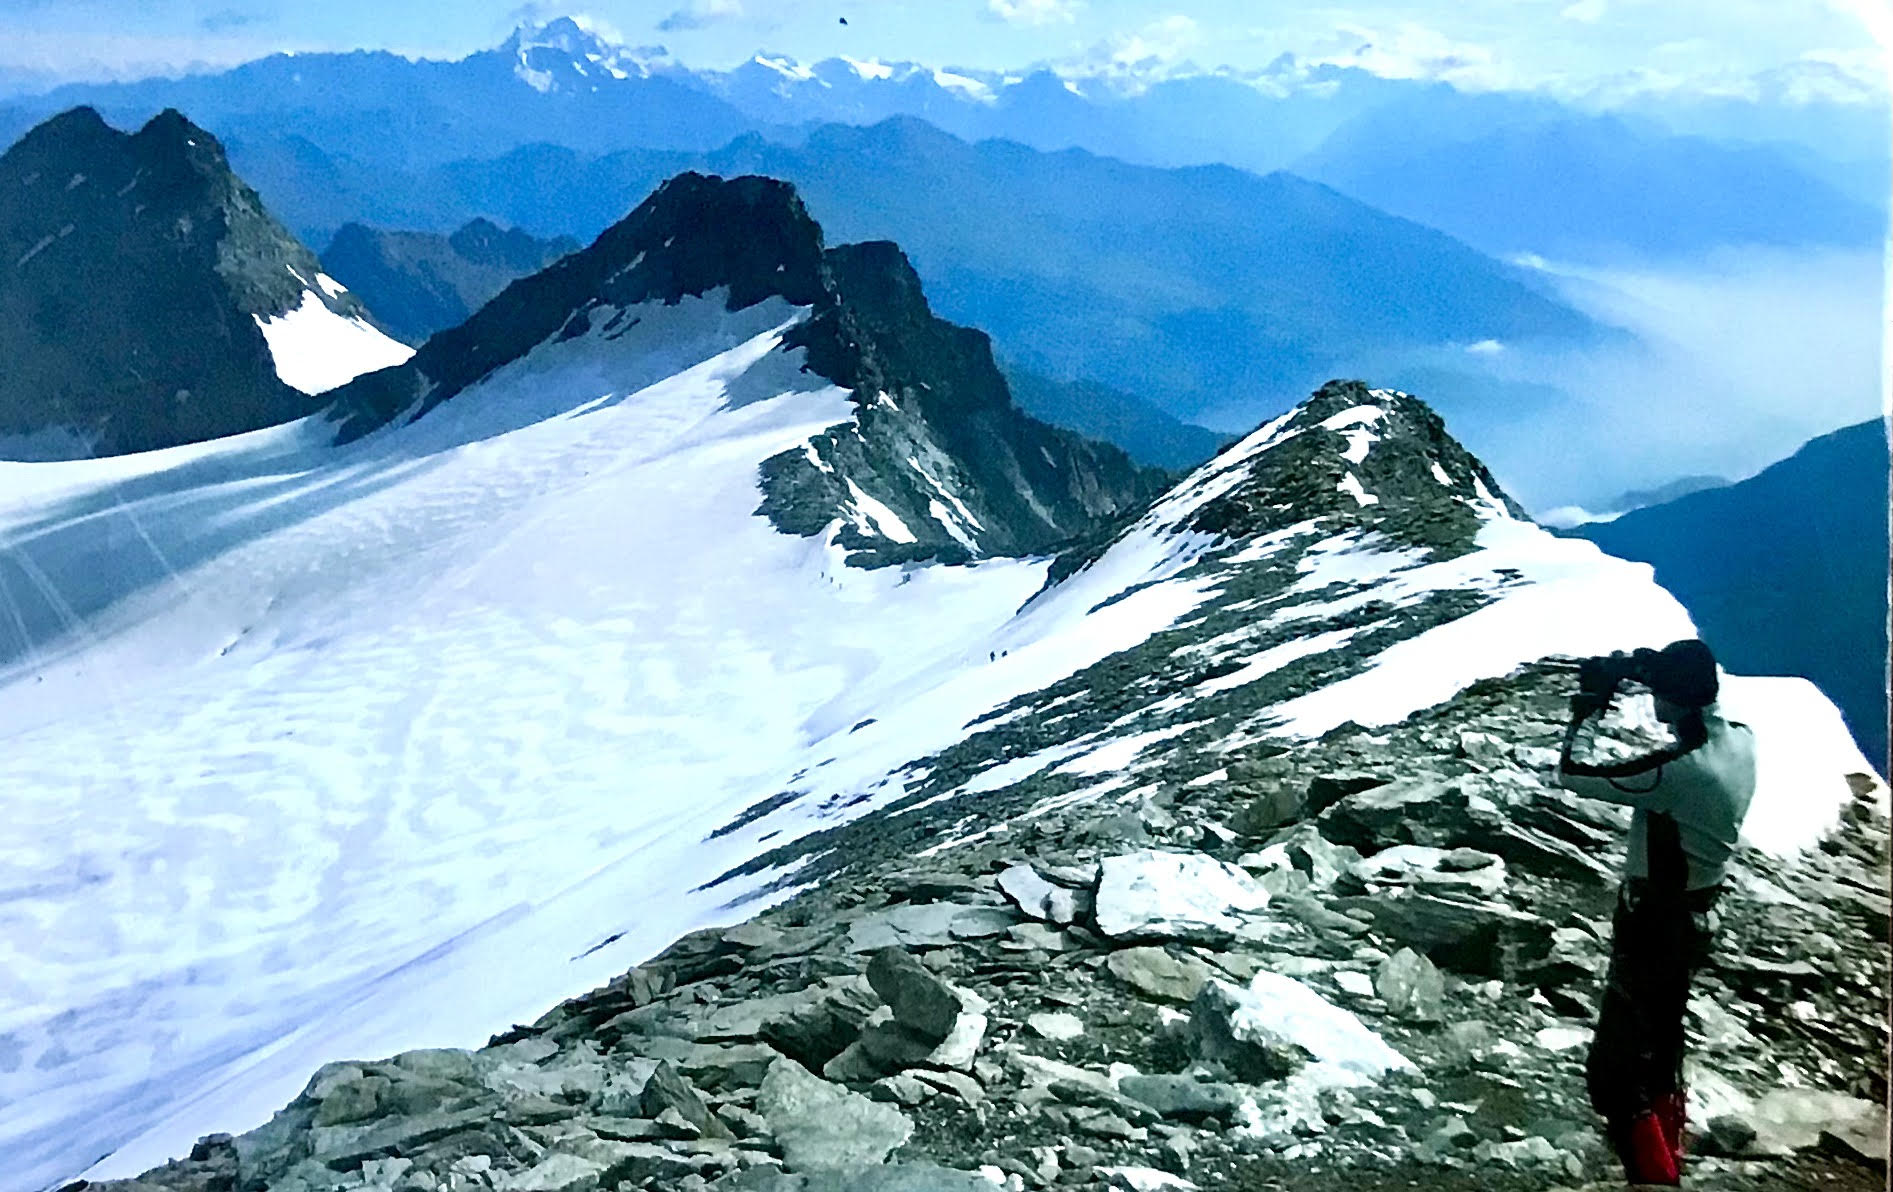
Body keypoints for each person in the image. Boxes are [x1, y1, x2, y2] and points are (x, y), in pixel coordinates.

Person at [1556, 638, 1757, 1186]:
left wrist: (1588, 711)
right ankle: (1670, 1159)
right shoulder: (1742, 744)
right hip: (1696, 917)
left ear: (1675, 697)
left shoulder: (1683, 771)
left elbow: (1573, 774)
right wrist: (1646, 669)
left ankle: (1656, 1180)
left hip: (1656, 924)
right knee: (1662, 1051)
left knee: (1616, 1075)